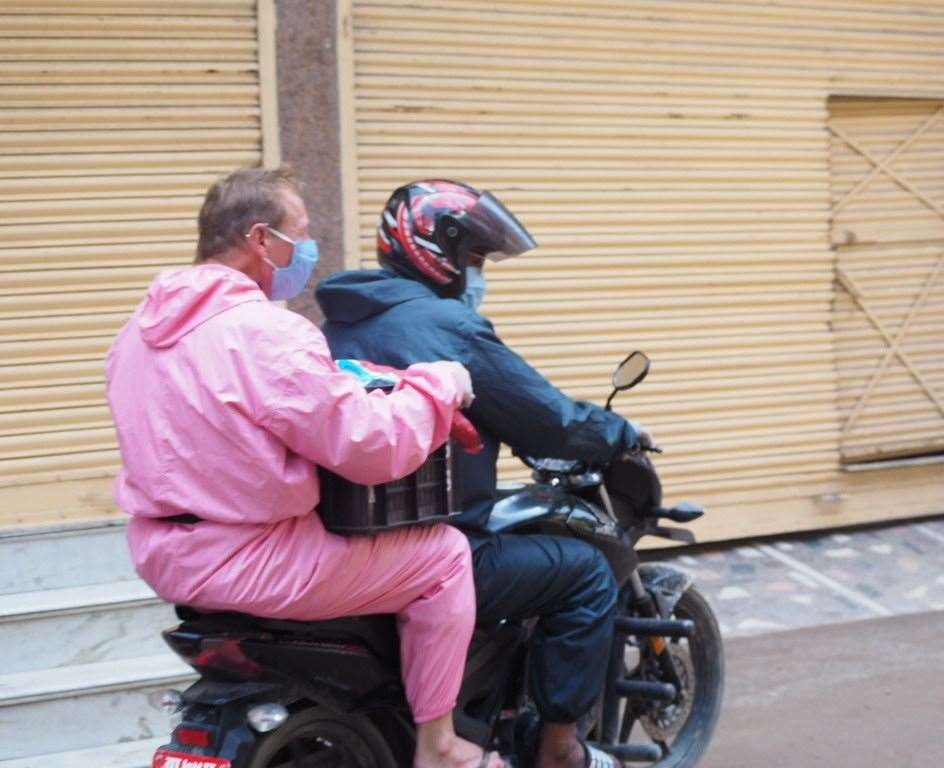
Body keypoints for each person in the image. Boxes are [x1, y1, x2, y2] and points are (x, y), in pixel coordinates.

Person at [105, 168, 504, 768]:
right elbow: (370, 445)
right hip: (255, 558)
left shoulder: (137, 333)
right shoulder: (267, 333)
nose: (308, 251)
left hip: (167, 555)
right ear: (262, 240)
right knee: (444, 555)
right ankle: (440, 745)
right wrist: (437, 385)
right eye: (303, 234)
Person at [316, 180, 654, 768]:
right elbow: (545, 420)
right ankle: (561, 750)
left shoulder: (335, 324)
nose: (478, 273)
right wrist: (618, 432)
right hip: (436, 548)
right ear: (433, 251)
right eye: (473, 257)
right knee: (586, 574)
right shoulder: (447, 327)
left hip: (349, 544)